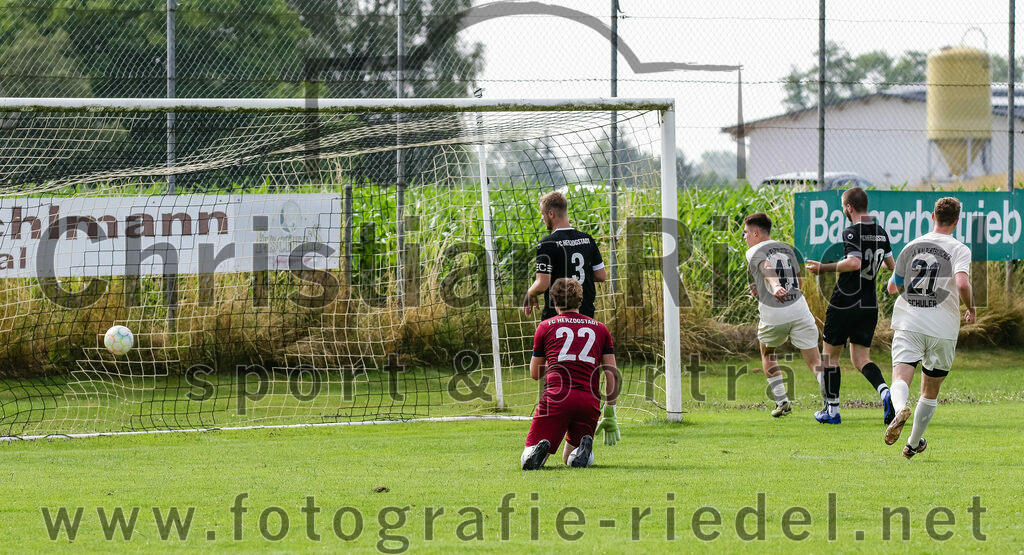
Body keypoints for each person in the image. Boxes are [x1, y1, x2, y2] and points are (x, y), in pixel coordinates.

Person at [884, 197, 975, 459]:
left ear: (931, 217)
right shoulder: (959, 249)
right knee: (930, 391)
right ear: (957, 221)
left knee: (900, 378)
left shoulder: (913, 246)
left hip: (909, 322)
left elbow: (892, 287)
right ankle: (912, 444)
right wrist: (971, 308)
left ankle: (900, 408)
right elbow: (961, 284)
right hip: (942, 327)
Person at [806, 187, 896, 425]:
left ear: (849, 208)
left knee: (830, 357)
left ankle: (832, 411)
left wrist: (823, 268)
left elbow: (854, 263)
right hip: (869, 303)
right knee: (861, 359)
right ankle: (886, 393)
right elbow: (891, 265)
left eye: (843, 206)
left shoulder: (851, 232)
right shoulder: (881, 233)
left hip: (845, 301)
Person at [521, 278, 619, 470]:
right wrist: (610, 411)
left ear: (554, 301)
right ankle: (582, 451)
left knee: (527, 459)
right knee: (569, 458)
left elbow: (535, 373)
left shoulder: (545, 327)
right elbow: (612, 374)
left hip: (557, 397)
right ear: (580, 300)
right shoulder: (600, 329)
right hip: (588, 401)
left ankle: (537, 452)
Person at [743, 212, 824, 418]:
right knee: (815, 360)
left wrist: (776, 286)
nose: (745, 238)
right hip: (800, 309)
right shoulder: (787, 248)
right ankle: (831, 401)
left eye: (745, 233)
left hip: (775, 313)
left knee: (767, 353)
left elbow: (767, 267)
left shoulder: (754, 250)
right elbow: (798, 279)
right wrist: (766, 288)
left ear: (755, 232)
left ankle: (782, 402)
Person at [523, 192, 607, 320]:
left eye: (542, 213)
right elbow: (601, 275)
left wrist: (530, 292)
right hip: (585, 313)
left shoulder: (547, 243)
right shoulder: (587, 239)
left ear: (551, 214)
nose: (542, 218)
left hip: (557, 316)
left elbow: (542, 284)